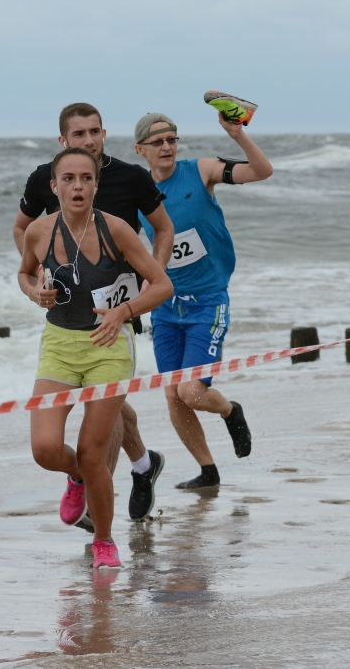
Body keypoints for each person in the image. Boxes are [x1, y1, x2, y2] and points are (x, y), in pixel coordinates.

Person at [13, 103, 175, 522]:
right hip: (66, 322)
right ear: (62, 142)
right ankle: (141, 465)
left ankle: (94, 504)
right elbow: (24, 233)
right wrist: (41, 283)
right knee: (115, 410)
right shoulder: (44, 177)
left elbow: (163, 228)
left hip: (117, 313)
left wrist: (142, 290)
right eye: (79, 134)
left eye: (95, 132)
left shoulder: (131, 177)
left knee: (100, 429)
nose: (89, 140)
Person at [133, 110, 273, 489]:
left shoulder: (201, 170)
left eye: (171, 139)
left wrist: (237, 135)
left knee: (192, 391)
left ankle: (230, 411)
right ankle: (208, 471)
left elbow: (262, 171)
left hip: (208, 301)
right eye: (157, 142)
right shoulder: (138, 192)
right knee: (173, 396)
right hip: (166, 305)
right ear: (140, 149)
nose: (166, 147)